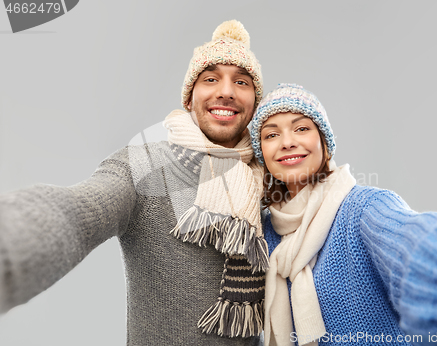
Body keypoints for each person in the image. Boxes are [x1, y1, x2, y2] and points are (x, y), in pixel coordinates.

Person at [0, 20, 268, 345]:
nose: (226, 91)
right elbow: (77, 212)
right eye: (210, 78)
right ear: (189, 98)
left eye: (241, 81)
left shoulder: (268, 177)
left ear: (255, 102)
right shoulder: (144, 163)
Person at [249, 83, 437, 346]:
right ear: (262, 154)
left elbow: (420, 247)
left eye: (301, 128)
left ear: (323, 141)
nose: (287, 142)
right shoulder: (263, 234)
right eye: (271, 135)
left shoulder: (364, 209)